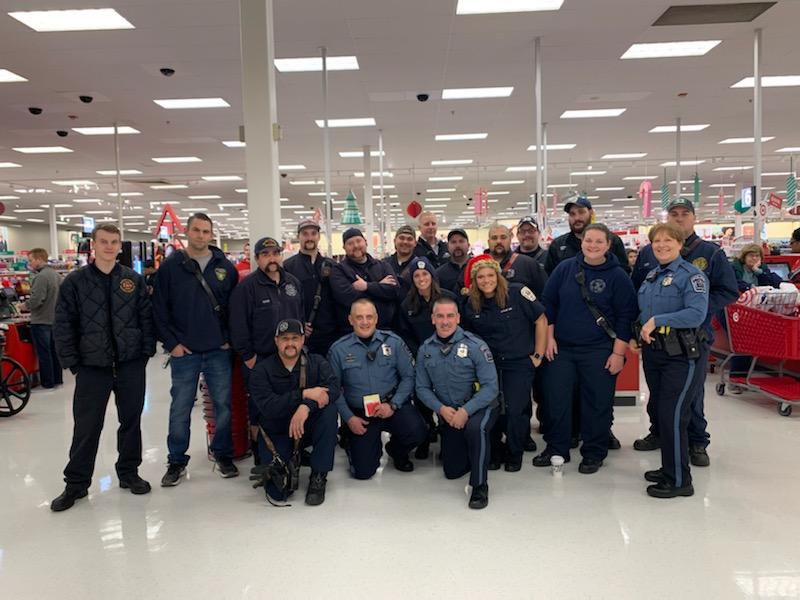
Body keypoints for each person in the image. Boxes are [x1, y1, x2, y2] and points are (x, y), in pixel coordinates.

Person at [50, 224, 156, 511]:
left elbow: (145, 319)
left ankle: (129, 472)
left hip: (130, 363)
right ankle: (76, 484)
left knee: (131, 421)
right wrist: (73, 364)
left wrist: (145, 352)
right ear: (93, 245)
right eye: (104, 241)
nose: (109, 246)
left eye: (114, 242)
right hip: (91, 367)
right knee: (87, 426)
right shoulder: (75, 282)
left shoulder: (131, 280)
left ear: (120, 246)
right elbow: (63, 325)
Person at [631, 198, 738, 467]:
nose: (679, 218)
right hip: (655, 342)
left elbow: (727, 291)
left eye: (684, 214)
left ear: (693, 218)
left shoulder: (710, 253)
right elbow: (638, 292)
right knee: (659, 396)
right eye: (673, 214)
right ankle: (660, 434)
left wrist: (694, 312)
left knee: (690, 397)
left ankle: (697, 442)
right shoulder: (648, 253)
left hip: (690, 339)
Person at [534, 224, 638, 474]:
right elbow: (549, 303)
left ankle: (593, 451)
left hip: (600, 349)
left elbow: (626, 317)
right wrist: (549, 337)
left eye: (598, 241)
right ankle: (556, 448)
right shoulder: (565, 268)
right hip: (562, 349)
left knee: (597, 402)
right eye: (588, 240)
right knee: (556, 400)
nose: (592, 245)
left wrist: (618, 353)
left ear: (608, 244)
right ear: (582, 242)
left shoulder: (618, 275)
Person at [152, 213, 240, 486]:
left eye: (206, 231)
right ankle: (176, 460)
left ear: (211, 235)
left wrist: (228, 339)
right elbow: (158, 310)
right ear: (187, 233)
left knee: (223, 406)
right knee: (180, 407)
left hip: (218, 350)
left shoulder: (225, 266)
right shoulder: (170, 268)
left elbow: (234, 308)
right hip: (185, 353)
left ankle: (222, 453)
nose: (201, 236)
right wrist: (172, 344)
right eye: (196, 230)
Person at [633, 223, 709, 498]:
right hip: (656, 352)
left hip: (681, 354)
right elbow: (644, 311)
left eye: (668, 241)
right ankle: (670, 467)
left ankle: (679, 481)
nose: (662, 245)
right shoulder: (653, 275)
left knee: (673, 414)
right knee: (662, 413)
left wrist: (656, 321)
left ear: (680, 244)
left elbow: (696, 314)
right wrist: (638, 330)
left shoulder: (691, 276)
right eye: (656, 242)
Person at [461, 257, 547, 472]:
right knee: (491, 408)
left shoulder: (517, 293)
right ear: (474, 280)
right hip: (488, 367)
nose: (486, 280)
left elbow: (541, 320)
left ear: (498, 276)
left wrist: (538, 354)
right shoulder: (471, 303)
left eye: (490, 275)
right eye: (480, 277)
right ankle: (495, 450)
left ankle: (514, 452)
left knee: (515, 410)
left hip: (518, 363)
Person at [328, 299, 427, 479]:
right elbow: (334, 390)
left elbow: (409, 376)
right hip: (360, 415)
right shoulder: (338, 350)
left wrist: (394, 405)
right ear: (351, 320)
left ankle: (396, 451)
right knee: (363, 472)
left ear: (376, 319)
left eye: (369, 317)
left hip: (391, 406)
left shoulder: (394, 342)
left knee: (418, 431)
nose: (364, 322)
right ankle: (353, 442)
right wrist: (349, 419)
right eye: (359, 317)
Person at [415, 297, 499, 509]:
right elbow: (422, 388)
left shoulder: (475, 345)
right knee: (452, 471)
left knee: (475, 429)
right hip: (449, 412)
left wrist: (466, 411)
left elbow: (491, 387)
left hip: (480, 406)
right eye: (440, 316)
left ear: (458, 318)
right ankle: (483, 452)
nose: (445, 321)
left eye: (450, 316)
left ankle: (480, 486)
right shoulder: (425, 349)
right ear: (432, 319)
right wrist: (441, 409)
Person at [247, 319, 339, 506]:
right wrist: (303, 394)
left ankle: (319, 475)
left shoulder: (317, 362)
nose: (290, 343)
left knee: (329, 410)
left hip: (307, 428)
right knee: (279, 492)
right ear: (276, 341)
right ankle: (291, 455)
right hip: (277, 430)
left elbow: (333, 389)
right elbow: (269, 407)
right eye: (285, 339)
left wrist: (306, 407)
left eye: (295, 338)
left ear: (303, 339)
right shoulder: (261, 370)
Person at [396, 257, 457, 459]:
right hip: (421, 359)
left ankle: (445, 433)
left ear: (432, 275)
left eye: (425, 274)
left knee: (446, 397)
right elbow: (405, 334)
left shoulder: (447, 298)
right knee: (422, 400)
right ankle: (426, 434)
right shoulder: (407, 304)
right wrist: (419, 354)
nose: (421, 278)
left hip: (448, 358)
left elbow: (457, 326)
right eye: (416, 275)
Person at [230, 236, 304, 366]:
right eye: (265, 254)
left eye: (276, 253)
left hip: (291, 356)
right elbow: (238, 324)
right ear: (257, 259)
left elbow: (300, 315)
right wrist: (249, 357)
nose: (272, 259)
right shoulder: (246, 287)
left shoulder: (293, 282)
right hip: (261, 359)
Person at [329, 228, 402, 336]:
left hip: (385, 331)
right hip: (351, 334)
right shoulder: (338, 270)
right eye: (350, 243)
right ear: (344, 247)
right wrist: (380, 287)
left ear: (366, 242)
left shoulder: (383, 266)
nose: (356, 246)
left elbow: (394, 291)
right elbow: (347, 298)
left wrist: (367, 286)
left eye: (359, 241)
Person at [283, 220, 339, 356]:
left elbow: (338, 297)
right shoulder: (287, 267)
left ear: (319, 236)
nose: (309, 237)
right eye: (305, 234)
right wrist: (298, 322)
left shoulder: (331, 265)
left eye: (313, 233)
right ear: (299, 237)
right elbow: (285, 302)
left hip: (330, 335)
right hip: (302, 336)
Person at [544, 197, 630, 275]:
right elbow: (550, 275)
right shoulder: (558, 245)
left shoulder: (612, 241)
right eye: (572, 214)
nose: (577, 218)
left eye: (581, 212)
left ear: (591, 212)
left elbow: (623, 272)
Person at [25, 248, 63, 389]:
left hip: (41, 320)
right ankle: (57, 378)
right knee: (54, 351)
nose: (30, 263)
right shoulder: (56, 275)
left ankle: (47, 381)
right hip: (54, 319)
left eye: (31, 260)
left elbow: (36, 300)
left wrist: (24, 305)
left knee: (44, 353)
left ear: (39, 259)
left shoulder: (40, 277)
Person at [488, 223, 547, 298]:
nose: (499, 241)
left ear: (510, 239)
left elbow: (545, 294)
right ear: (489, 241)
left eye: (503, 237)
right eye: (494, 238)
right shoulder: (480, 266)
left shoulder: (528, 264)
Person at [384, 225, 417, 299]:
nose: (405, 242)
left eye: (409, 239)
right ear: (395, 241)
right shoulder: (383, 264)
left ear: (415, 243)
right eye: (401, 238)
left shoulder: (420, 265)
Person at [436, 228, 471, 294]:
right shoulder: (439, 274)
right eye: (453, 242)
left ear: (468, 245)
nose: (457, 245)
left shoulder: (478, 268)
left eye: (461, 241)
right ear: (448, 247)